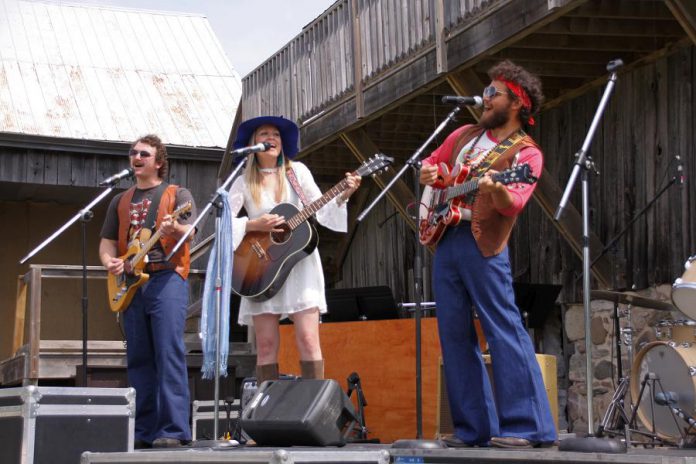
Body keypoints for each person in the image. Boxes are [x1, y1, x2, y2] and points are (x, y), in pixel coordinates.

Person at [420, 60, 557, 448]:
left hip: (483, 244)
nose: (484, 97)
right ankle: (472, 428)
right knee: (452, 333)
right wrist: (429, 174)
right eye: (486, 91)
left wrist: (494, 188)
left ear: (516, 102)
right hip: (447, 239)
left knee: (503, 328)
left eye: (493, 93)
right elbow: (433, 164)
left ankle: (528, 428)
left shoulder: (525, 154)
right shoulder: (464, 134)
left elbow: (512, 203)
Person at [228, 116, 361, 384]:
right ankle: (266, 410)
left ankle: (312, 409)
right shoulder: (243, 181)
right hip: (261, 266)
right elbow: (223, 223)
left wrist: (345, 193)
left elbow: (320, 206)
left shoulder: (297, 172)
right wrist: (256, 224)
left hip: (299, 264)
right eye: (264, 133)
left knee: (309, 339)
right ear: (253, 144)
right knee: (265, 345)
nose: (271, 138)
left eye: (276, 134)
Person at [99, 134, 197, 449]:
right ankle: (144, 431)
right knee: (139, 357)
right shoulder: (120, 199)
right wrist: (109, 262)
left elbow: (191, 232)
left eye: (144, 153)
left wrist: (174, 228)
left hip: (167, 277)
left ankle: (173, 429)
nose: (136, 157)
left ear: (158, 161)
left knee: (168, 352)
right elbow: (107, 242)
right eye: (133, 153)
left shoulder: (177, 195)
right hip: (131, 282)